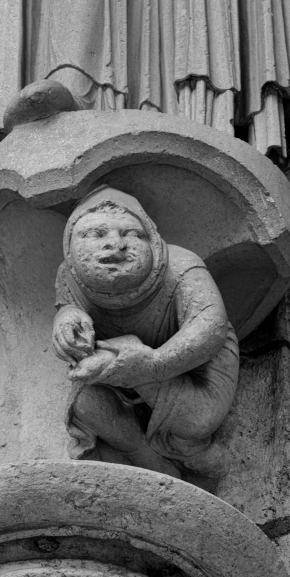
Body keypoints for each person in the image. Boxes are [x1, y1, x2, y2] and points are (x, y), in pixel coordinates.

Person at [51, 185, 240, 478]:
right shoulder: (69, 276)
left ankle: (189, 449)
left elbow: (210, 326)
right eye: (96, 234)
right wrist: (68, 323)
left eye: (131, 234)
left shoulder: (180, 264)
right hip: (119, 369)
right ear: (70, 245)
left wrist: (151, 366)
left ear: (151, 239)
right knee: (86, 405)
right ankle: (147, 458)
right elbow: (68, 307)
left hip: (196, 364)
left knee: (196, 422)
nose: (116, 244)